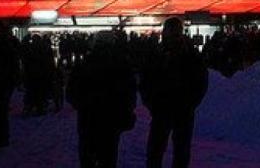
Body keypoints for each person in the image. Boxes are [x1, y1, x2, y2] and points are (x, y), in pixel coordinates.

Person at [140, 18, 208, 168]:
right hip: (170, 110)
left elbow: (145, 80)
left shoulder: (161, 54)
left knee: (162, 151)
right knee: (171, 151)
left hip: (172, 110)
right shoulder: (189, 54)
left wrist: (151, 102)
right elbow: (146, 80)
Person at [67, 31, 137, 168]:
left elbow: (71, 91)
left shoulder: (84, 64)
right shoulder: (122, 64)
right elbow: (130, 92)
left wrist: (82, 105)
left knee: (87, 158)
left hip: (88, 120)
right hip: (112, 120)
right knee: (109, 158)